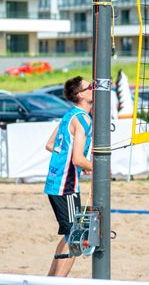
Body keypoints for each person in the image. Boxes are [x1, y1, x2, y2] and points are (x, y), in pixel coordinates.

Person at [44, 76, 93, 277]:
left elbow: (50, 145)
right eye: (90, 87)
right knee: (76, 238)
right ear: (80, 95)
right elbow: (77, 159)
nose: (93, 88)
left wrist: (77, 164)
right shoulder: (82, 119)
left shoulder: (69, 115)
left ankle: (49, 280)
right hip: (66, 185)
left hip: (55, 182)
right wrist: (95, 168)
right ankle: (57, 281)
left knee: (69, 235)